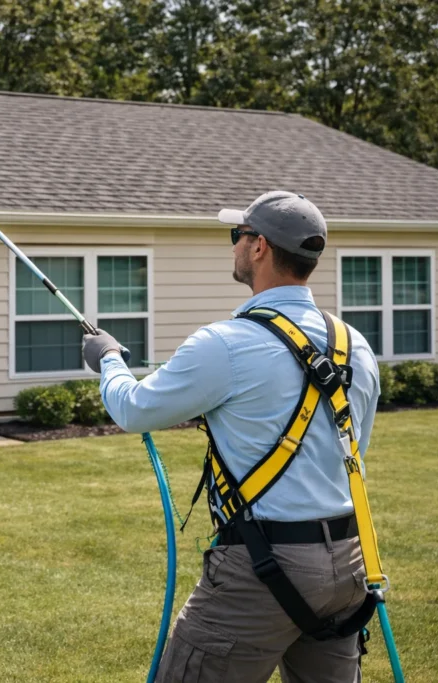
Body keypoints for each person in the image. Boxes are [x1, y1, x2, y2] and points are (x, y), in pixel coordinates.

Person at [81, 191, 381, 682]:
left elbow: (133, 409)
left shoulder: (225, 344)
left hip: (263, 569)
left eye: (236, 236)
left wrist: (109, 359)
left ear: (259, 247)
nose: (234, 246)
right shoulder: (356, 346)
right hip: (349, 563)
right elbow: (348, 453)